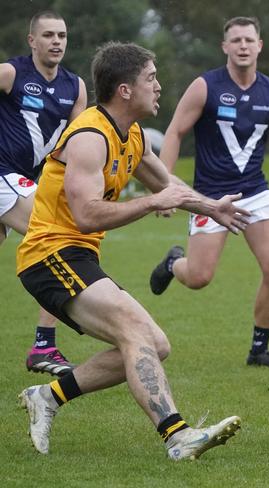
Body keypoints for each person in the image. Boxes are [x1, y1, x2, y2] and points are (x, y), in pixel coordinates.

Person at [17, 42, 249, 460]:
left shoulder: (133, 134)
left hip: (78, 255)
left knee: (154, 344)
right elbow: (87, 214)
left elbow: (168, 187)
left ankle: (48, 396)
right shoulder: (90, 136)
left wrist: (213, 207)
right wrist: (149, 204)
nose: (159, 86)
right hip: (49, 255)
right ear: (125, 89)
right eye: (151, 78)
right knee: (134, 330)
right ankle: (178, 437)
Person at [150, 16, 269, 368]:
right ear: (225, 47)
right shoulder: (205, 86)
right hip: (211, 197)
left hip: (255, 192)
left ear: (260, 46)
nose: (243, 46)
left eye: (249, 40)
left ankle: (259, 349)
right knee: (198, 278)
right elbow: (175, 132)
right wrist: (164, 184)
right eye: (236, 40)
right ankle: (173, 262)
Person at [0, 11, 87, 377]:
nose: (57, 41)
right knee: (60, 238)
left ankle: (43, 346)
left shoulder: (76, 86)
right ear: (32, 41)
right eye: (48, 35)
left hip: (28, 181)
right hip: (4, 175)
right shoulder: (11, 73)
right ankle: (44, 345)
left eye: (62, 35)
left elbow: (79, 142)